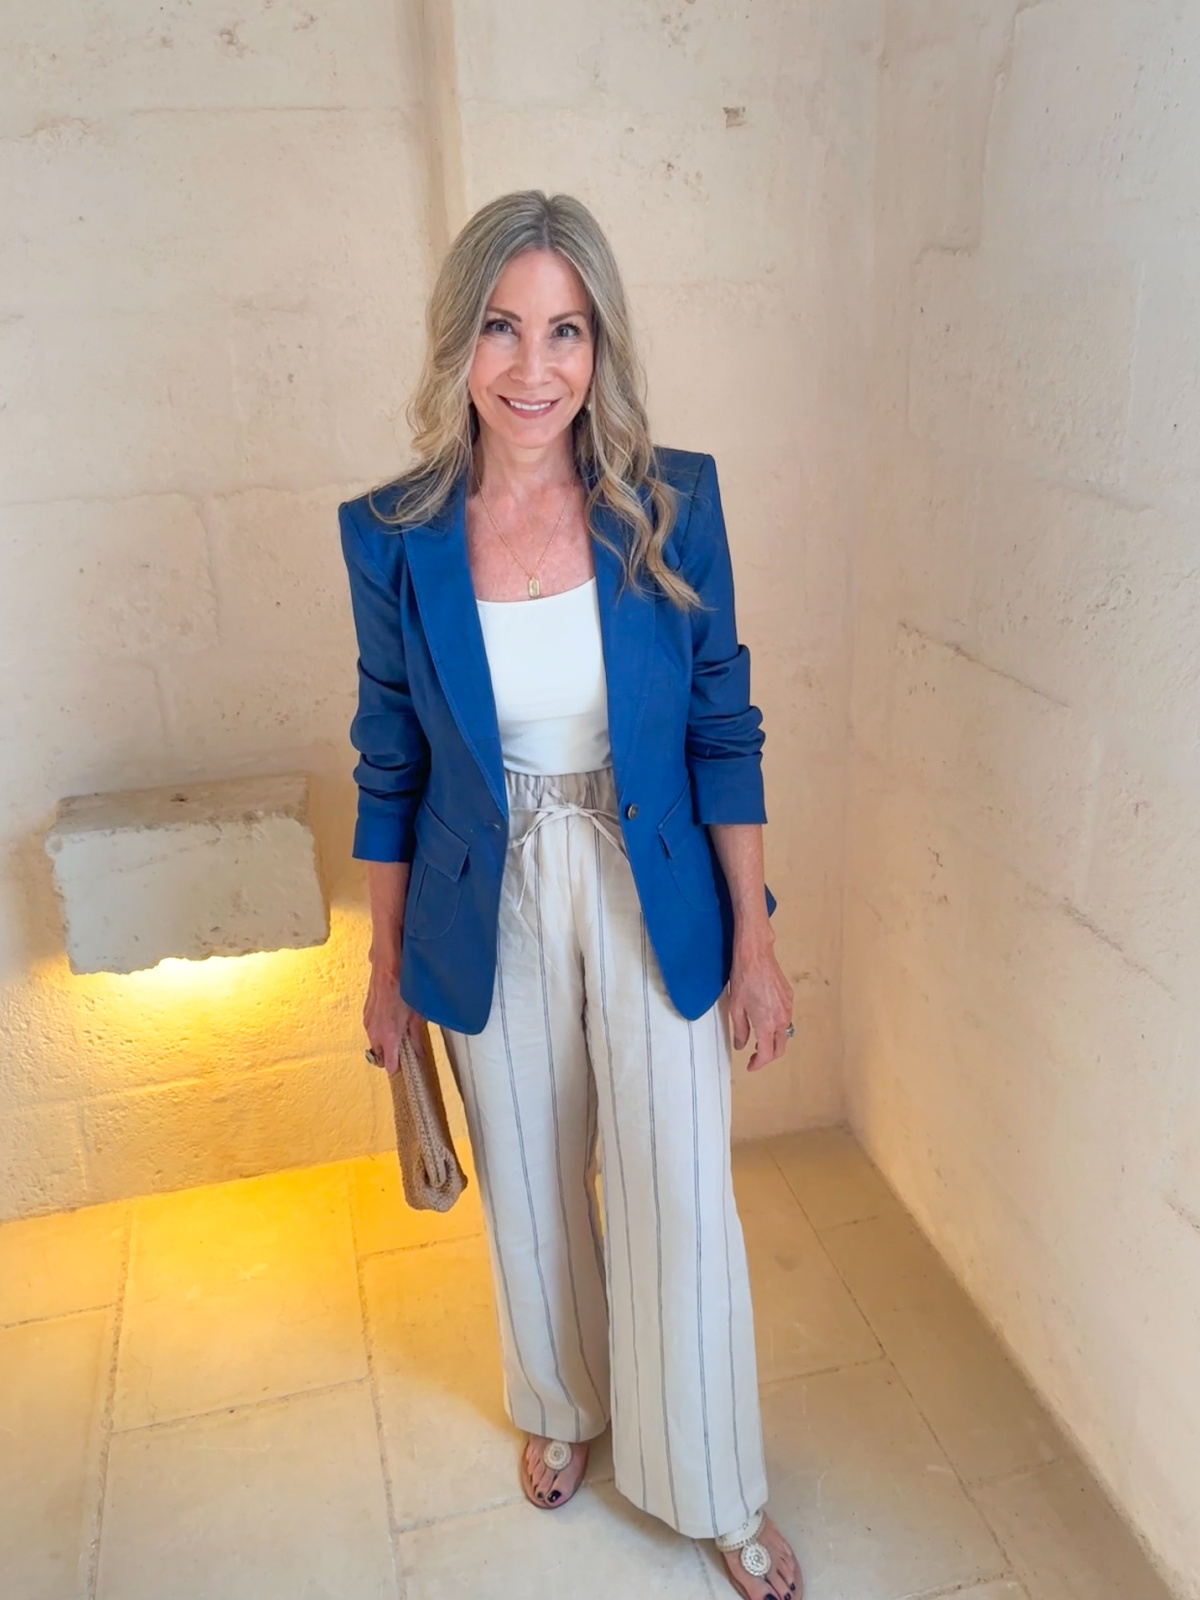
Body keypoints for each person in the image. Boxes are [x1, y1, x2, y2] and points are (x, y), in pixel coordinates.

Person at [339, 189, 801, 1600]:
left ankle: (715, 1483)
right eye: (501, 326)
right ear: (458, 340)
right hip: (491, 891)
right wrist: (385, 961)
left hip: (645, 874)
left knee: (679, 1188)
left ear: (600, 346)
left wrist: (757, 940)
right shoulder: (392, 533)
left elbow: (723, 724)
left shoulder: (676, 502)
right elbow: (390, 753)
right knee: (532, 1184)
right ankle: (560, 1409)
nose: (532, 369)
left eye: (564, 331)